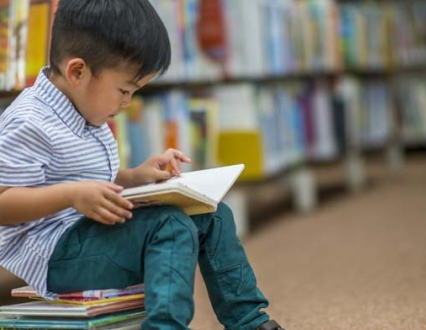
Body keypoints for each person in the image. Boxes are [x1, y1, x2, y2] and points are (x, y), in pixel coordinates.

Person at [0, 1, 285, 329]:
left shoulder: (85, 109)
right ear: (77, 72)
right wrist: (70, 195)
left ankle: (249, 322)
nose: (127, 102)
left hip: (93, 233)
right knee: (170, 226)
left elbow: (83, 178)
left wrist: (135, 178)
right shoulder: (29, 123)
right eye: (124, 90)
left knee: (211, 213)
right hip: (55, 256)